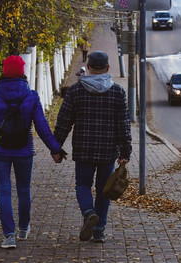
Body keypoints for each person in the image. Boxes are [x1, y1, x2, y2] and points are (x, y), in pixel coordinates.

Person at [0, 55, 66, 249]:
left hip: (0, 150)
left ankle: (9, 236)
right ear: (22, 71)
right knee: (23, 190)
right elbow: (42, 126)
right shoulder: (31, 96)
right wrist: (55, 149)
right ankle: (23, 228)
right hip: (24, 150)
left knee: (3, 190)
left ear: (4, 71)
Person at [53, 51, 131, 243]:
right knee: (105, 189)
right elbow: (123, 124)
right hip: (107, 151)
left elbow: (64, 121)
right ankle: (99, 231)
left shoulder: (75, 91)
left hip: (83, 149)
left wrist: (56, 147)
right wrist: (125, 152)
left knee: (83, 185)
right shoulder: (117, 92)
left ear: (88, 67)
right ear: (108, 68)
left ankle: (88, 213)